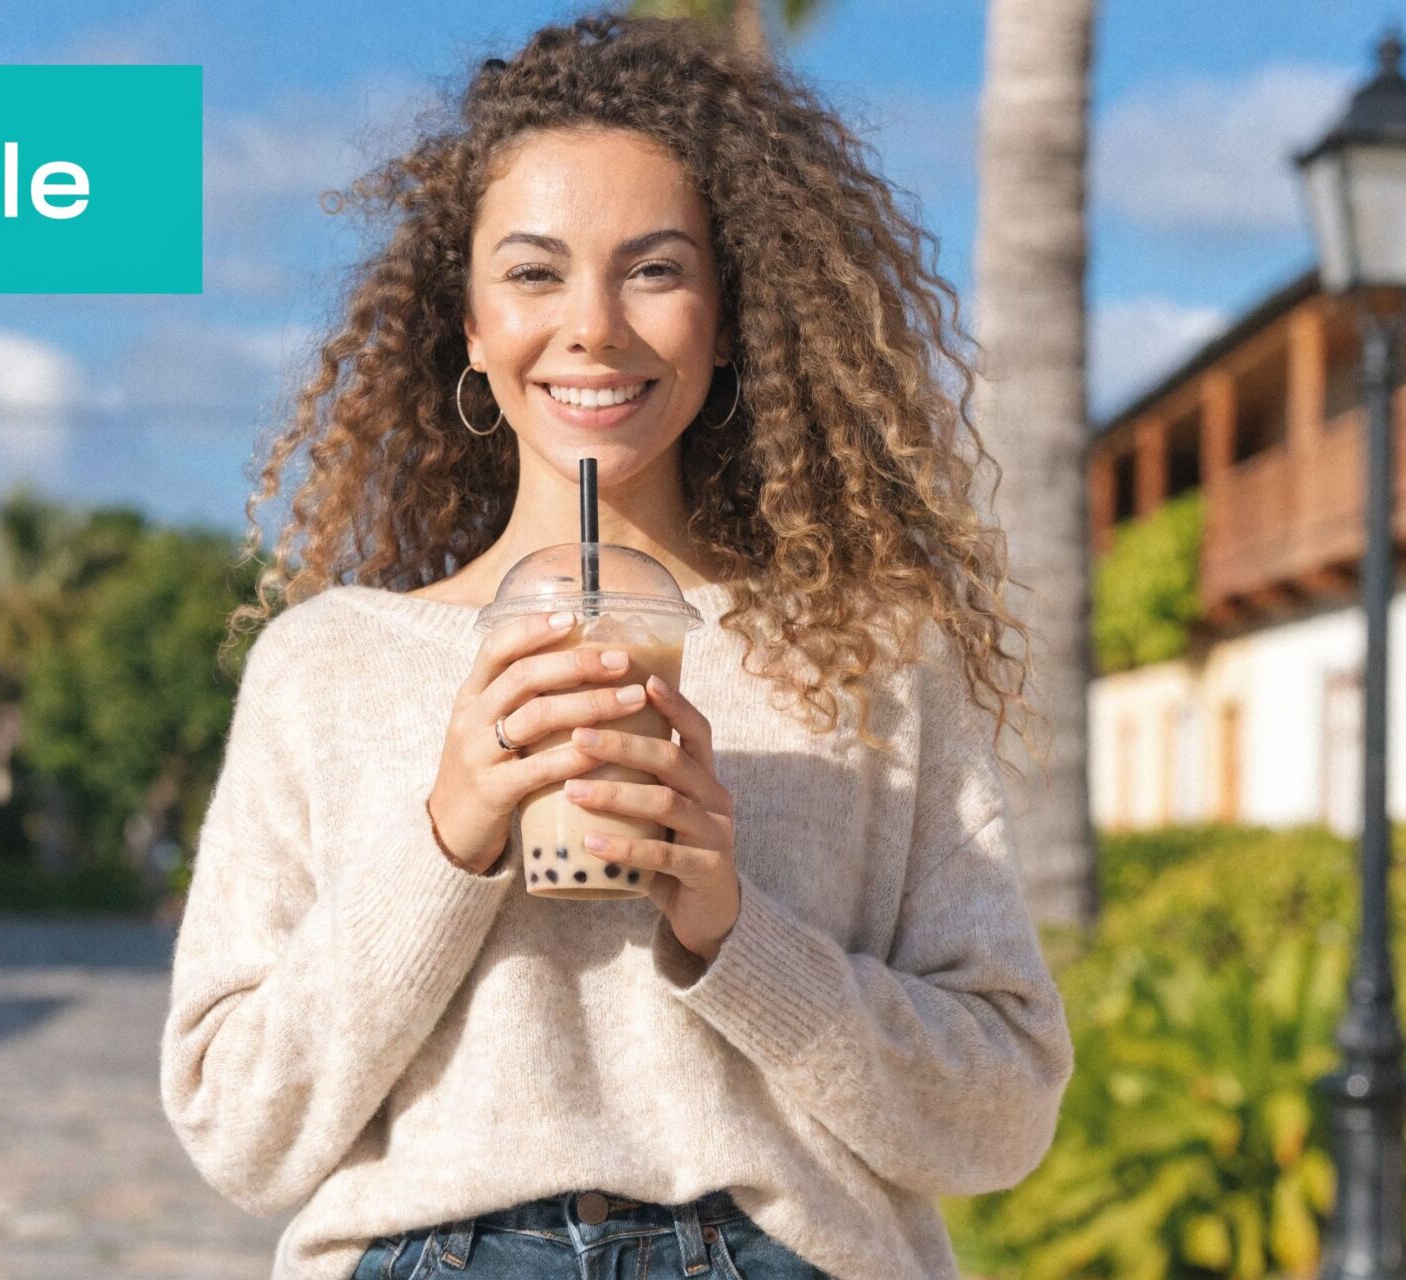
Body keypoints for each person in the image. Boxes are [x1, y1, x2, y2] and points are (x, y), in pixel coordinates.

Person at [159, 13, 1073, 1279]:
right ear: (468, 325)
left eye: (653, 270)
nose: (591, 325)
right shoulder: (328, 663)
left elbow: (1004, 1107)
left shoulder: (870, 656)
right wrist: (449, 836)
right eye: (534, 272)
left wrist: (733, 931)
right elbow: (236, 1126)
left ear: (728, 314)